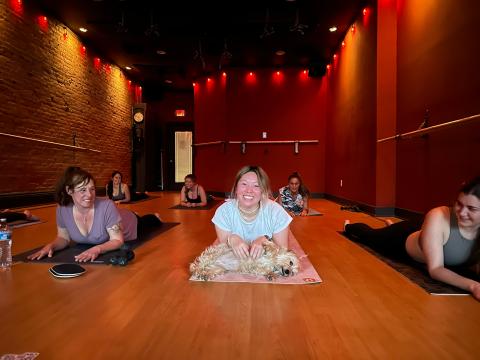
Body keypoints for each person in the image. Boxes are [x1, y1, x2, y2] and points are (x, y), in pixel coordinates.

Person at [344, 176, 480, 300]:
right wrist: (473, 286)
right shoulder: (439, 216)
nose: (462, 212)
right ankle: (349, 227)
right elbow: (436, 269)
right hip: (401, 240)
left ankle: (391, 226)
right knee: (370, 236)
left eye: (471, 208)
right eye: (459, 204)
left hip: (426, 231)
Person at [28, 166, 162, 263]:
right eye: (82, 190)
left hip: (129, 223)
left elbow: (117, 240)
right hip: (115, 216)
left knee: (147, 222)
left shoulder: (107, 205)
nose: (89, 195)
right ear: (69, 191)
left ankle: (154, 216)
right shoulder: (63, 209)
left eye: (92, 189)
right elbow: (63, 238)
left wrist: (97, 249)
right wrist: (51, 246)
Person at [212, 165, 292, 260]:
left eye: (256, 185)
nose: (249, 190)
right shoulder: (224, 212)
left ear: (263, 191)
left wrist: (266, 241)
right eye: (244, 184)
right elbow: (224, 254)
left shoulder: (276, 212)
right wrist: (231, 239)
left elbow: (283, 253)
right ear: (236, 188)